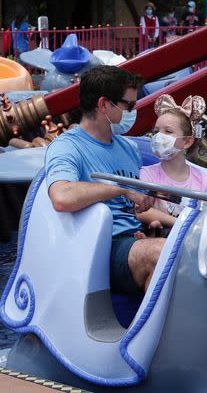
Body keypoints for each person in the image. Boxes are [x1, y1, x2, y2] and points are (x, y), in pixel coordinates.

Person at [45, 65, 162, 295]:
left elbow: (131, 209)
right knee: (162, 254)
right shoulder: (67, 147)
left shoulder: (129, 148)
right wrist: (120, 189)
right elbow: (61, 197)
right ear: (104, 105)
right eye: (129, 105)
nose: (133, 111)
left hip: (131, 241)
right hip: (97, 249)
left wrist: (152, 221)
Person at [136, 94, 207, 235]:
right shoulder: (147, 173)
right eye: (156, 131)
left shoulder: (204, 180)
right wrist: (180, 223)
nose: (159, 136)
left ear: (187, 141)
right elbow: (141, 211)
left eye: (168, 131)